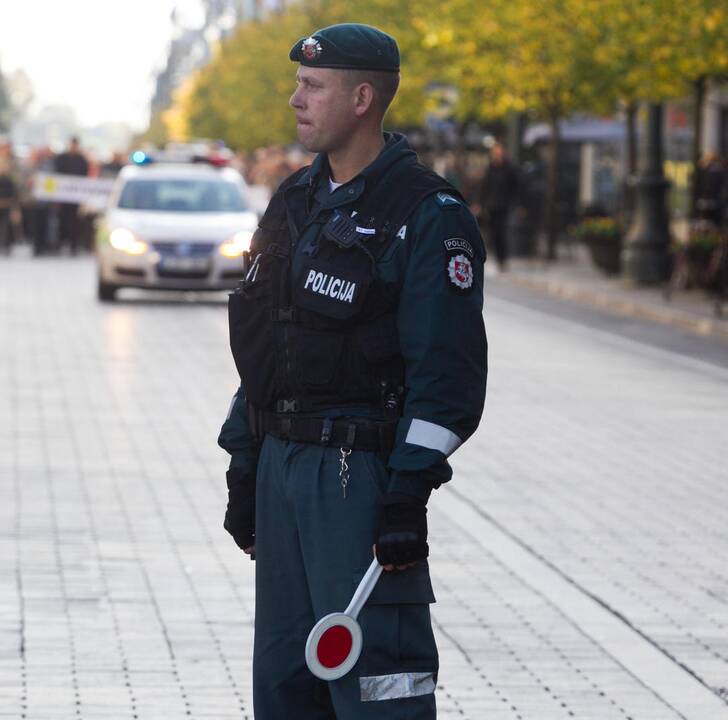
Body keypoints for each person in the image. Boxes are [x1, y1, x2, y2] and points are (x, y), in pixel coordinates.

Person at [218, 24, 487, 719]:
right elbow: (270, 346)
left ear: (363, 97)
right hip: (281, 468)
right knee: (286, 685)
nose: (294, 99)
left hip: (357, 482)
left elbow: (447, 378)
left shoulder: (427, 215)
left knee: (376, 689)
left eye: (313, 86)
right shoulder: (294, 203)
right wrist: (244, 462)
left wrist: (406, 493)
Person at [474, 142, 522, 271]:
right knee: (494, 232)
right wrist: (479, 203)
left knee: (502, 231)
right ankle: (499, 258)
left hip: (505, 205)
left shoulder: (510, 168)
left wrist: (517, 204)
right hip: (492, 205)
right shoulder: (491, 168)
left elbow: (516, 187)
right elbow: (484, 187)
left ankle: (503, 259)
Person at [52, 136, 89, 255]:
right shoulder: (61, 158)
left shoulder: (81, 160)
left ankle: (73, 244)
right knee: (61, 220)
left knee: (74, 221)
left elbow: (84, 176)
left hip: (74, 197)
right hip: (62, 196)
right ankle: (60, 243)